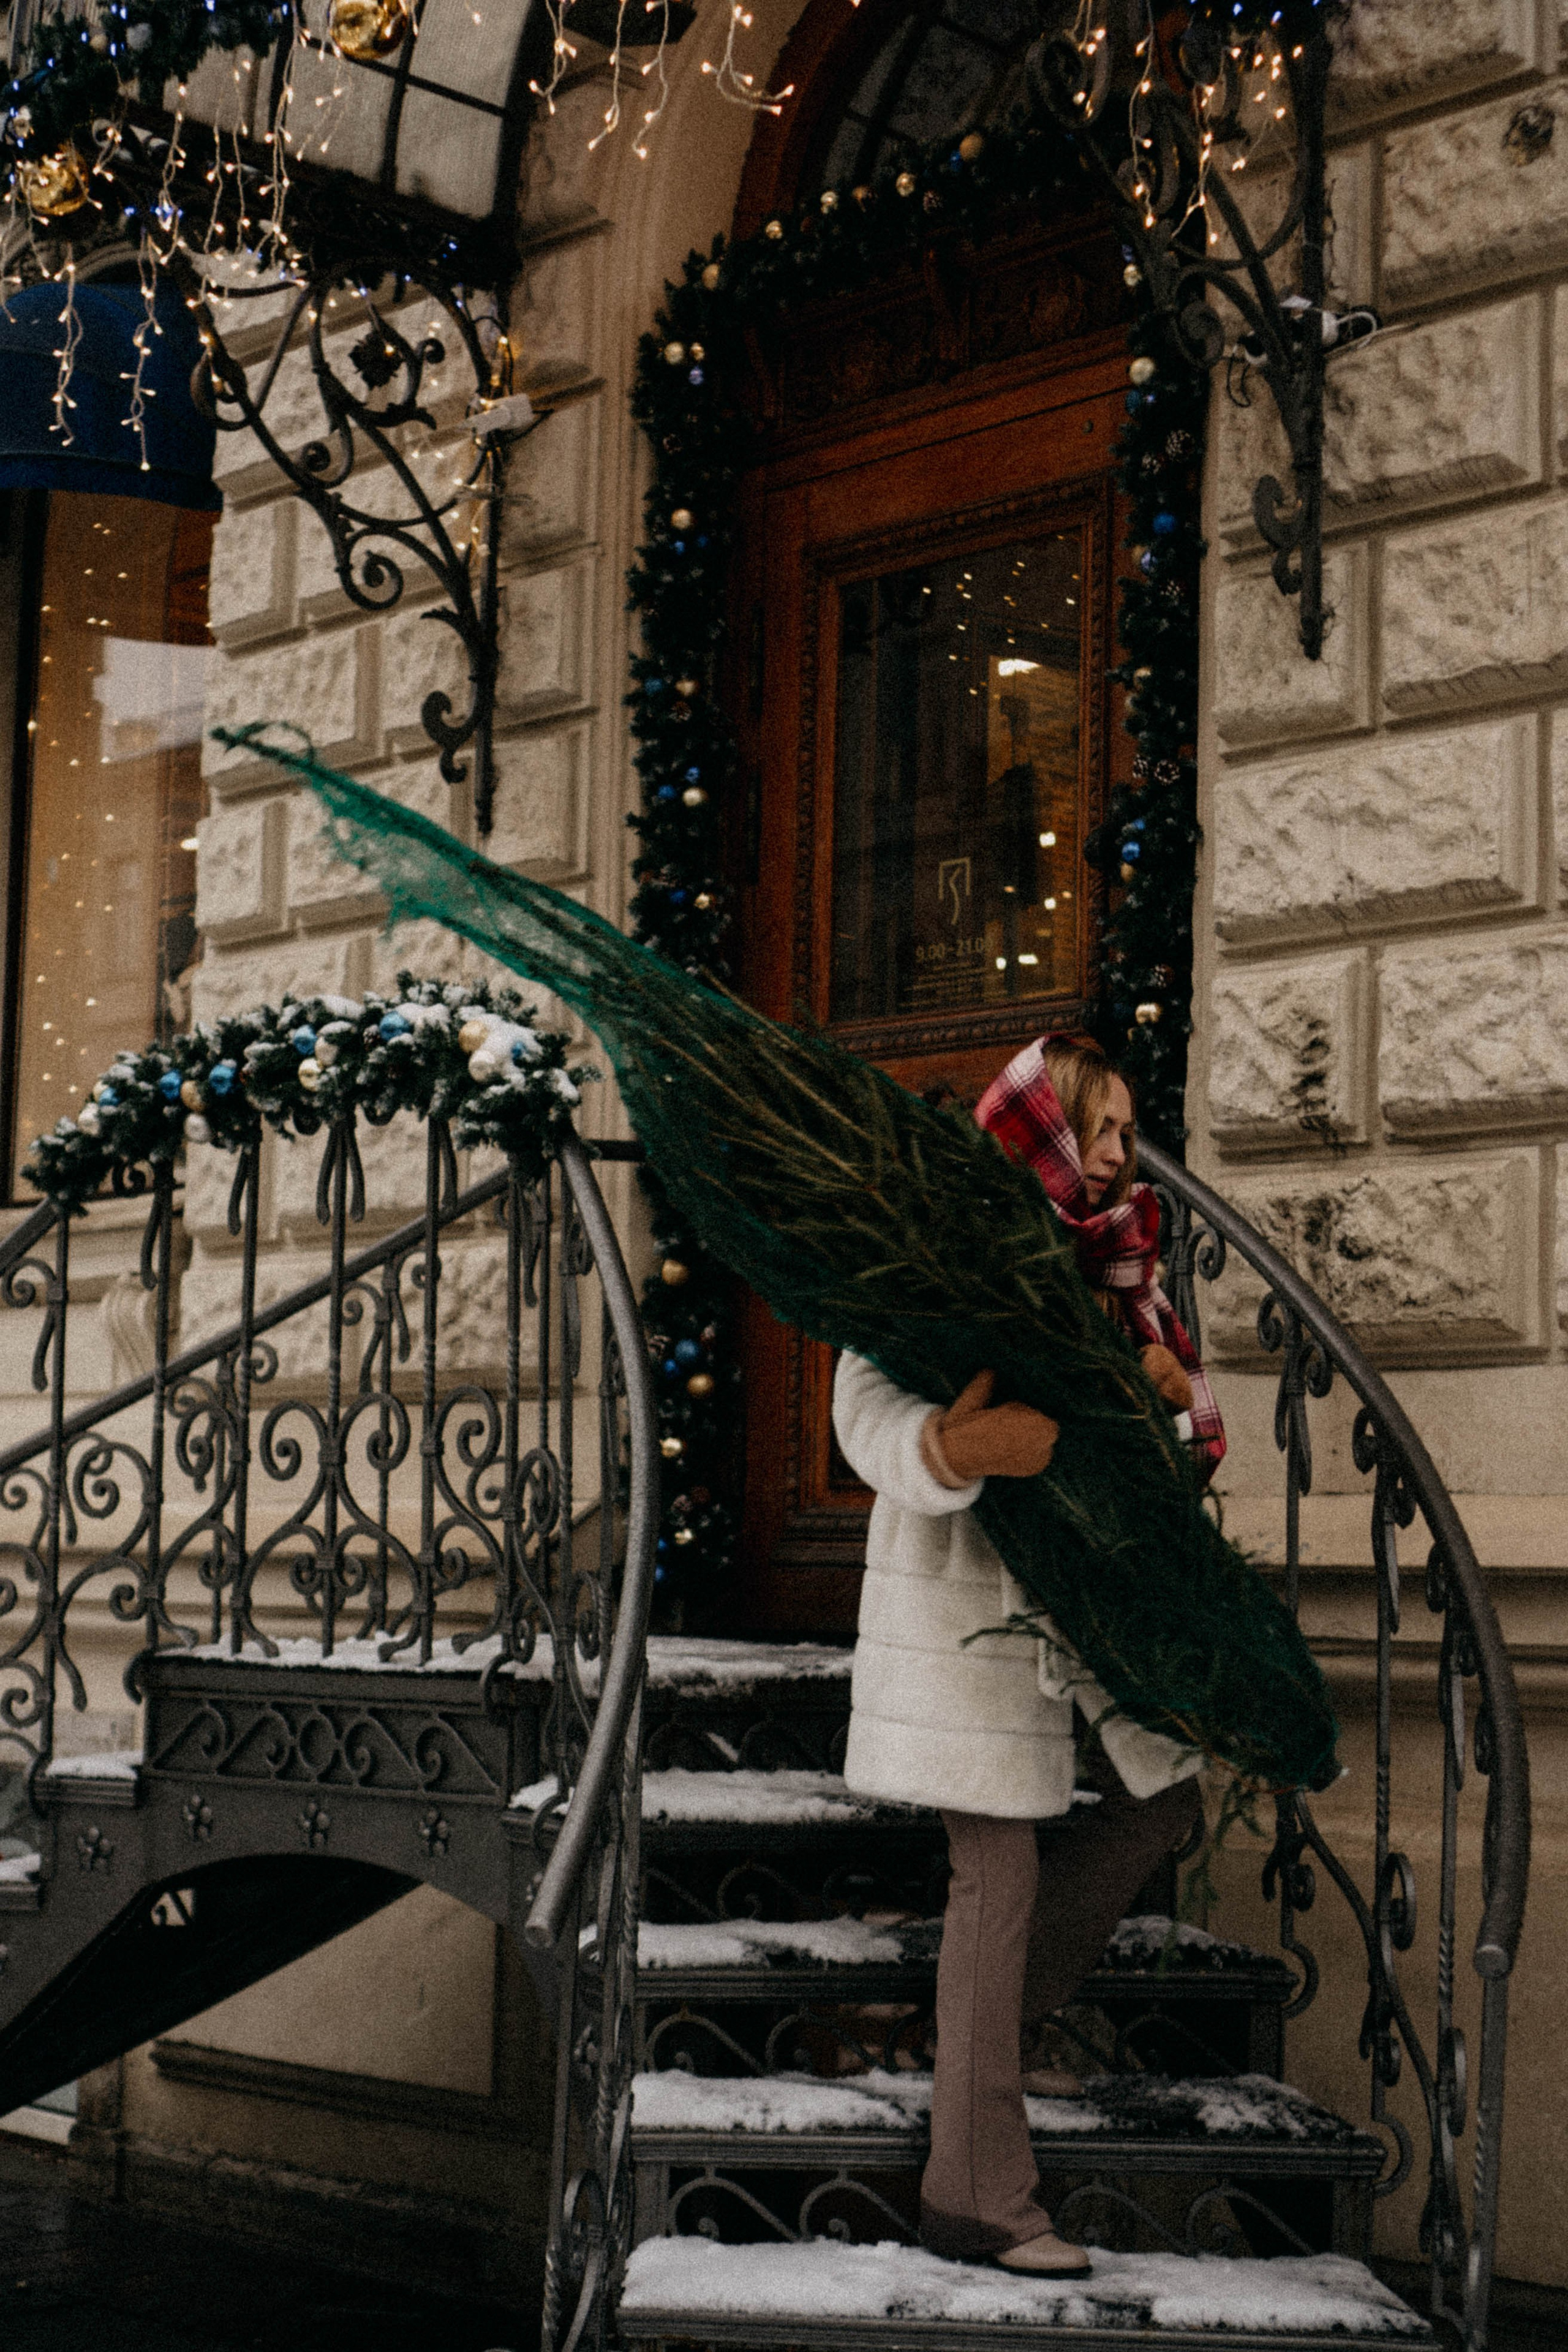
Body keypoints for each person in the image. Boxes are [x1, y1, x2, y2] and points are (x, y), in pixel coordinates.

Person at [831, 1032, 1225, 2277]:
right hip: (964, 1621)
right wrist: (954, 1449)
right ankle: (979, 2198)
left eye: (1120, 1133)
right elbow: (863, 1405)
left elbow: (1117, 1444)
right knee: (992, 1877)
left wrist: (1155, 1393)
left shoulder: (1113, 1267)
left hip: (1082, 1620)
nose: (1120, 1155)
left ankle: (970, 2035)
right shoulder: (943, 1247)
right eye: (1099, 1130)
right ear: (1042, 1129)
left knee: (1164, 1802)